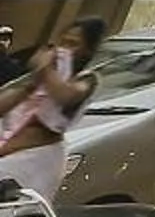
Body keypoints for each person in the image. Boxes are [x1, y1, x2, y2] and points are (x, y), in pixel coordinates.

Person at [0, 18, 105, 202]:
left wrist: (46, 68)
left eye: (72, 44)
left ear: (87, 50)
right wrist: (33, 81)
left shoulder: (87, 80)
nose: (63, 49)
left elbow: (66, 95)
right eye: (62, 42)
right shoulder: (40, 79)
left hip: (35, 160)